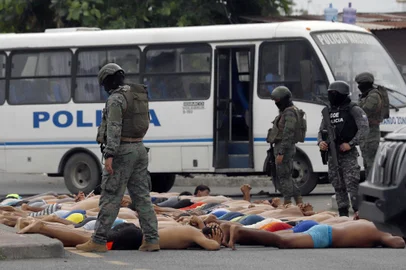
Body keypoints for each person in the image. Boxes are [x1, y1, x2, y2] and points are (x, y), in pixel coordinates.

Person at [76, 63, 159, 253]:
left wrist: (110, 154)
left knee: (110, 196)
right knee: (142, 197)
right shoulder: (135, 94)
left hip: (122, 151)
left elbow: (114, 128)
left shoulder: (116, 99)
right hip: (139, 148)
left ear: (108, 81)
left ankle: (98, 240)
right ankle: (152, 239)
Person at [318, 81, 369, 219]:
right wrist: (321, 142)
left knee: (352, 185)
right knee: (338, 185)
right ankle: (343, 217)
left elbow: (364, 129)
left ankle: (360, 215)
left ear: (342, 94)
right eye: (330, 93)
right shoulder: (328, 111)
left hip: (348, 155)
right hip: (332, 155)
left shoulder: (353, 109)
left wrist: (351, 144)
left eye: (333, 94)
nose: (331, 96)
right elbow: (322, 131)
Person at [17, 218, 223, 251]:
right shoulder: (195, 234)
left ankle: (43, 226)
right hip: (133, 239)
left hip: (132, 231)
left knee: (83, 234)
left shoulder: (190, 230)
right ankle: (43, 227)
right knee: (84, 239)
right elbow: (212, 247)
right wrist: (217, 241)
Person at [223, 220, 405, 250]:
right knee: (282, 242)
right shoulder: (384, 233)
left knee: (282, 238)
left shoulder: (374, 222)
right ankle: (240, 230)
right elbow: (398, 244)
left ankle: (237, 234)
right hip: (325, 236)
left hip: (325, 228)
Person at [266, 86, 305, 206]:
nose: (276, 103)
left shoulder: (289, 112)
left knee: (284, 177)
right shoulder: (287, 111)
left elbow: (288, 134)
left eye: (278, 100)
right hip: (283, 147)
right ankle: (299, 202)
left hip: (284, 148)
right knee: (287, 176)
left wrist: (281, 152)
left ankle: (287, 203)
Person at [355, 72, 384, 180]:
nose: (358, 86)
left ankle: (373, 185)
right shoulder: (366, 95)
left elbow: (364, 111)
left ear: (366, 83)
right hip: (366, 133)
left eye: (360, 84)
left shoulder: (374, 95)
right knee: (367, 163)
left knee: (371, 163)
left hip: (372, 134)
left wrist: (354, 109)